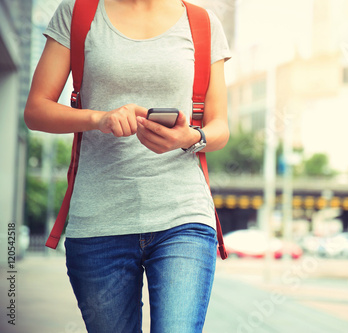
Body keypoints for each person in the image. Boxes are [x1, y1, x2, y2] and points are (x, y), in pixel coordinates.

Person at [24, 0, 231, 331]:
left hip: (183, 216)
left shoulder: (203, 22)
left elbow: (220, 127)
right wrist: (100, 118)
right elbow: (36, 110)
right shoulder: (78, 13)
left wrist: (188, 137)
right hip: (99, 222)